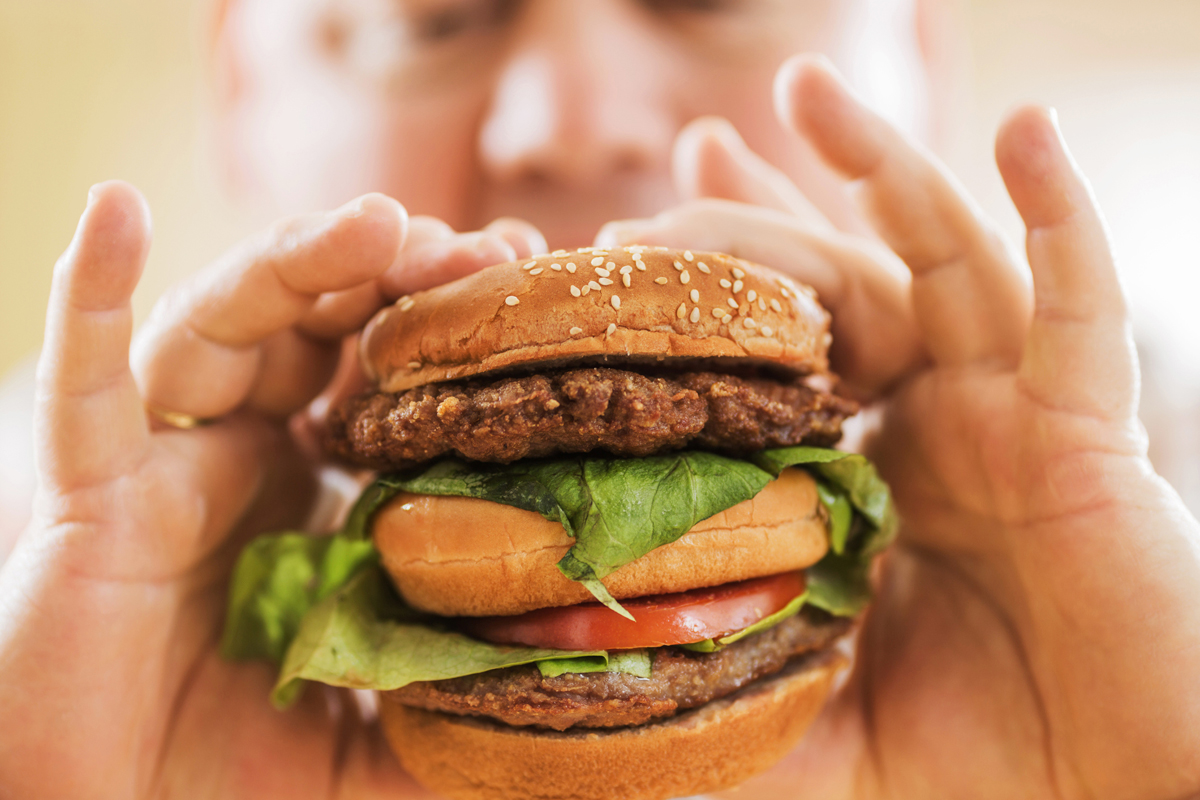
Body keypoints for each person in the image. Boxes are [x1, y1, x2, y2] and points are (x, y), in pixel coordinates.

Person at [1, 1, 1199, 798]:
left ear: (921, 50)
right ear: (237, 90)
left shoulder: (1149, 520)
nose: (568, 125)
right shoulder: (52, 580)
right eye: (427, 20)